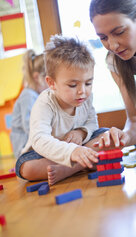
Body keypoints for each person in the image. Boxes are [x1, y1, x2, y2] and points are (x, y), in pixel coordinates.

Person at [15, 35, 109, 185]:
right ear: (51, 83)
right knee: (25, 168)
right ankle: (81, 164)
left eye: (88, 83)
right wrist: (71, 152)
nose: (82, 91)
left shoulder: (85, 97)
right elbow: (39, 140)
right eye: (73, 85)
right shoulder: (45, 103)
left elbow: (92, 124)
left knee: (108, 136)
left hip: (79, 148)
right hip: (45, 154)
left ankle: (69, 169)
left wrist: (81, 132)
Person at [89, 0, 136, 159]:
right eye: (103, 37)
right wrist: (123, 137)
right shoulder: (114, 60)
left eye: (119, 32)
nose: (113, 45)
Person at [10, 50, 48, 159]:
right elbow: (29, 126)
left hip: (33, 141)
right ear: (37, 77)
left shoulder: (36, 94)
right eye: (49, 79)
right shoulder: (29, 96)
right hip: (23, 147)